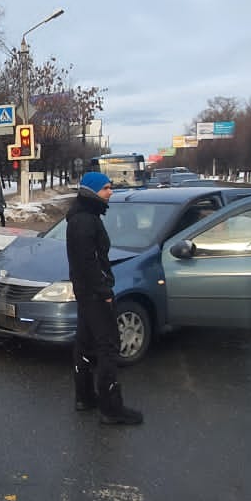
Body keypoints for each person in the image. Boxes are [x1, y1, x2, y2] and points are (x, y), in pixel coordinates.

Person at [64, 171, 142, 425]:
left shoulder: (83, 217)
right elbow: (90, 262)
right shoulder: (86, 221)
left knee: (85, 344)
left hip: (86, 293)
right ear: (92, 191)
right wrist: (105, 292)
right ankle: (111, 408)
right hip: (95, 294)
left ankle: (84, 396)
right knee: (108, 347)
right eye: (107, 188)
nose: (111, 192)